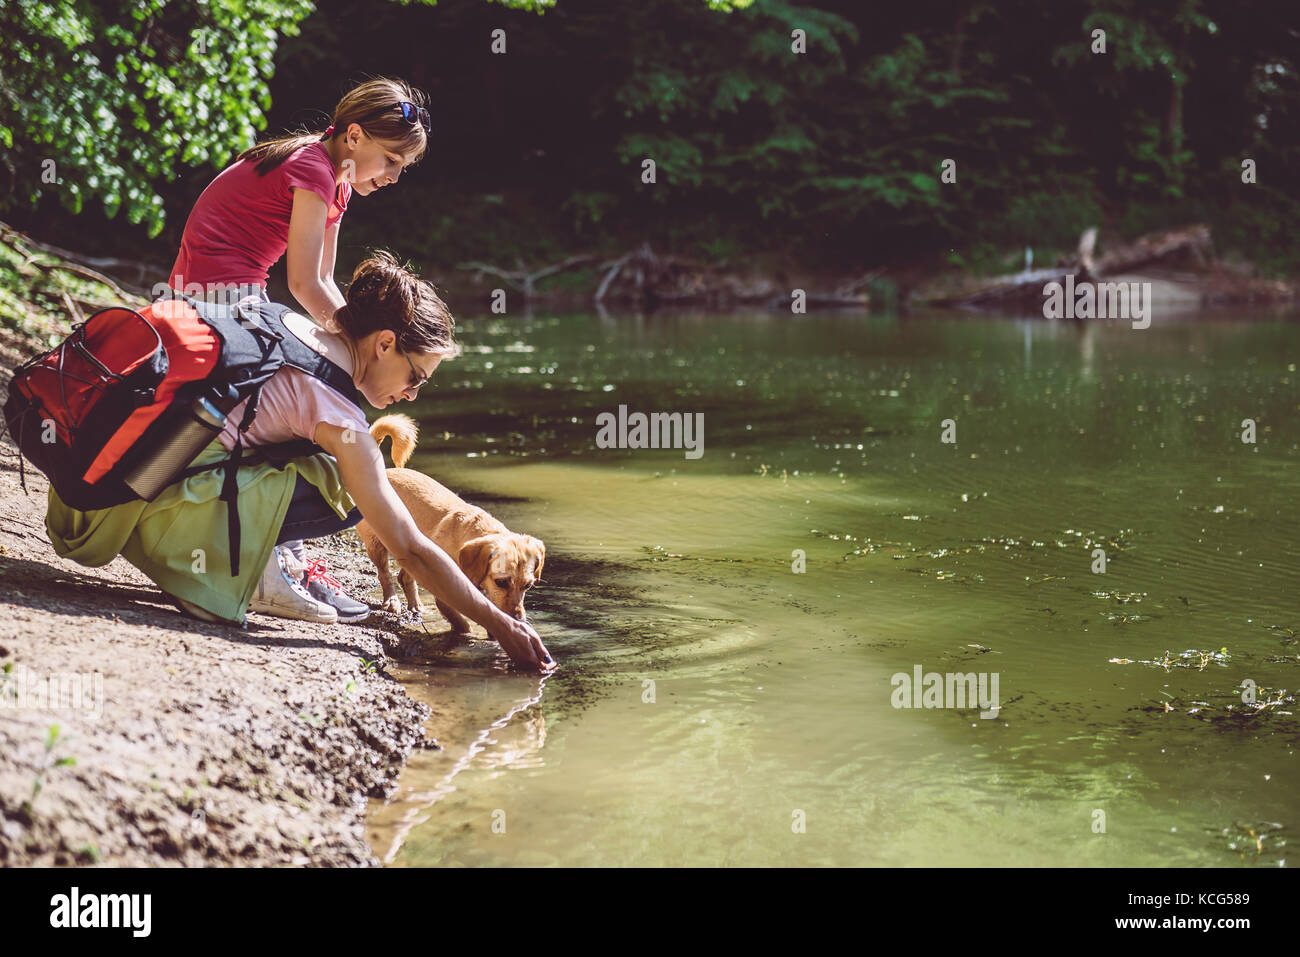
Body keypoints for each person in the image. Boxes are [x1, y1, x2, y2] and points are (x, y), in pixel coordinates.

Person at [45, 252, 555, 672]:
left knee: (339, 466)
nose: (413, 394)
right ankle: (246, 571)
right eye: (415, 376)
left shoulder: (290, 322)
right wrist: (502, 624)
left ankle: (247, 553)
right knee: (355, 484)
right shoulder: (337, 412)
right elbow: (412, 550)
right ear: (384, 345)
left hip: (83, 490)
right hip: (109, 513)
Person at [165, 76, 430, 622]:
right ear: (354, 136)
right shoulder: (312, 169)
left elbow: (328, 279)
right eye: (391, 160)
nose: (393, 177)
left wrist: (352, 347)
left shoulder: (336, 177)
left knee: (334, 381)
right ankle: (271, 560)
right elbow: (306, 285)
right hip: (214, 301)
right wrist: (352, 354)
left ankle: (285, 550)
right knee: (330, 386)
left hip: (237, 296)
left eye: (402, 167)